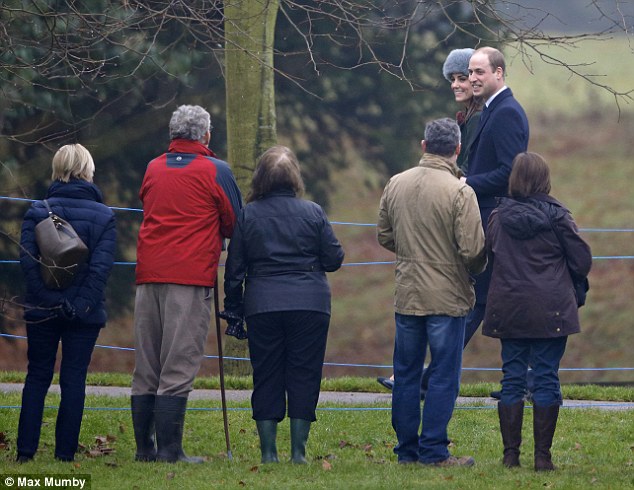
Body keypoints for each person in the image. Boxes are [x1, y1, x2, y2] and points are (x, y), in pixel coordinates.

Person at [131, 105, 242, 463]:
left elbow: (149, 204)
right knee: (178, 364)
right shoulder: (216, 170)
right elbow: (235, 223)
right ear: (206, 135)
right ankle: (170, 450)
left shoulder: (152, 167)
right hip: (189, 277)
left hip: (148, 275)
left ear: (172, 135)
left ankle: (144, 449)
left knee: (147, 364)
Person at [222, 145, 344, 464]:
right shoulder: (314, 212)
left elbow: (234, 270)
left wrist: (233, 311)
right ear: (295, 178)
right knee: (305, 373)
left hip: (263, 303)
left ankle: (268, 453)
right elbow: (334, 259)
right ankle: (299, 453)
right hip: (311, 304)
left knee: (266, 374)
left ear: (260, 178)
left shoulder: (248, 215)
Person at [377, 118, 487, 466]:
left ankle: (406, 450)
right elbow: (473, 251)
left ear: (424, 147)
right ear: (457, 150)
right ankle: (434, 450)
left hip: (408, 294)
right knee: (443, 374)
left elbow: (385, 235)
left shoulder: (396, 184)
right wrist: (473, 271)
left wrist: (413, 252)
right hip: (448, 297)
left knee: (406, 373)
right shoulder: (460, 192)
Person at [377, 47, 483, 397]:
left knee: (479, 303)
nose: (456, 83)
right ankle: (424, 378)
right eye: (452, 78)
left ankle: (522, 378)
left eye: (462, 77)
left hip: (471, 215)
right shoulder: (465, 118)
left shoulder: (483, 118)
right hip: (453, 219)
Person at [482, 152, 592, 471]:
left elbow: (488, 254)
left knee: (512, 378)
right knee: (546, 377)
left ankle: (510, 456)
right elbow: (582, 261)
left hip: (510, 307)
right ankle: (543, 458)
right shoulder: (558, 216)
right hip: (551, 308)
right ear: (544, 179)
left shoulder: (498, 217)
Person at [17, 144, 117, 463]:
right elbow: (100, 270)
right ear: (88, 170)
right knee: (74, 379)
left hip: (42, 311)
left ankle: (25, 452)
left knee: (37, 376)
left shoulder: (37, 210)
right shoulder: (105, 216)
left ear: (57, 168)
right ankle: (64, 455)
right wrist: (80, 305)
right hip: (84, 314)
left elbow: (28, 263)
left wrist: (50, 300)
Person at [466, 46, 530, 399]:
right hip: (488, 218)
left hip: (496, 220)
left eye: (479, 72)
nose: (473, 78)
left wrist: (466, 184)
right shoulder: (493, 110)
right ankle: (521, 380)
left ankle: (431, 376)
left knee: (481, 299)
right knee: (488, 299)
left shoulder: (506, 113)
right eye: (471, 72)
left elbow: (510, 173)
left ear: (499, 73)